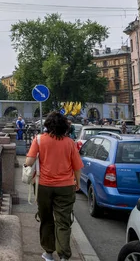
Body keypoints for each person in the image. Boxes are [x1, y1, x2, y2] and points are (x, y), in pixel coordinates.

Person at [24, 112, 84, 261]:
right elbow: (77, 167)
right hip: (66, 187)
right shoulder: (70, 143)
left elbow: (29, 161)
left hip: (44, 186)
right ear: (64, 127)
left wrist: (28, 164)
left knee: (46, 219)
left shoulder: (38, 140)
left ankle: (48, 253)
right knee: (63, 222)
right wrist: (77, 183)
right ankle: (64, 255)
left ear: (47, 125)